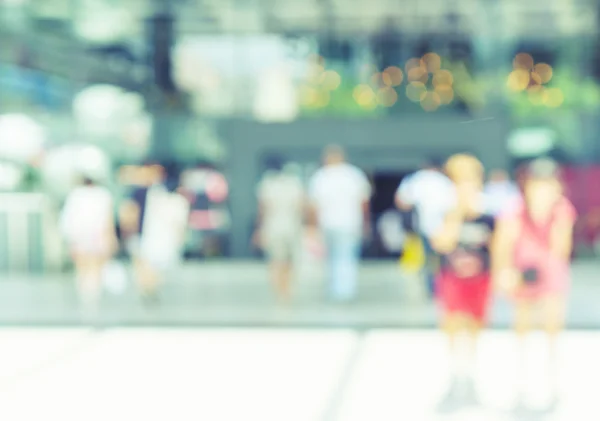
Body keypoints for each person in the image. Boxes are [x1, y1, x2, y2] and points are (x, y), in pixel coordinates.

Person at [492, 158, 577, 410]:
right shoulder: (514, 209)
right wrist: (503, 272)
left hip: (551, 275)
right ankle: (522, 376)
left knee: (553, 326)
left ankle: (552, 377)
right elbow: (503, 243)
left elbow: (561, 249)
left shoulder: (562, 209)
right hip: (522, 274)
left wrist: (550, 217)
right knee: (522, 326)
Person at [430, 154, 495, 410]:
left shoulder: (489, 211)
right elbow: (442, 243)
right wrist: (456, 215)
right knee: (453, 324)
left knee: (476, 325)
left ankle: (472, 370)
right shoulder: (445, 210)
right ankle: (455, 372)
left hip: (480, 279)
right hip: (452, 278)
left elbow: (499, 245)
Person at [308, 145, 371, 302]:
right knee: (347, 257)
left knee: (333, 258)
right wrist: (365, 222)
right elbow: (364, 203)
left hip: (328, 223)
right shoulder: (354, 175)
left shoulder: (321, 176)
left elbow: (314, 205)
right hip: (350, 223)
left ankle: (336, 290)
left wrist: (313, 226)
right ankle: (345, 291)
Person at [120, 164, 190, 304]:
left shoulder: (158, 193)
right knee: (144, 264)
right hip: (141, 235)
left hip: (151, 236)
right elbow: (130, 212)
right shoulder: (141, 192)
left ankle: (149, 289)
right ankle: (148, 289)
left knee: (149, 264)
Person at [395, 157, 456, 298]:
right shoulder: (445, 182)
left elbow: (402, 201)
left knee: (428, 258)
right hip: (443, 226)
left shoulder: (415, 180)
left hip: (423, 225)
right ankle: (443, 287)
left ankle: (431, 288)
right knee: (442, 259)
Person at [60, 176, 117, 320]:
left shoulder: (76, 195)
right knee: (95, 270)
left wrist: (70, 240)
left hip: (80, 238)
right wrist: (110, 238)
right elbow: (108, 219)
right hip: (98, 237)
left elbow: (68, 219)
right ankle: (92, 298)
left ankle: (86, 298)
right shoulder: (103, 195)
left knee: (83, 270)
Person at [253, 155, 305, 304]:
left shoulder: (267, 183)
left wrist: (258, 229)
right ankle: (287, 289)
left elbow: (263, 209)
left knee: (276, 260)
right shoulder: (294, 183)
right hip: (292, 226)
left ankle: (279, 291)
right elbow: (301, 206)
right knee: (290, 260)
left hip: (273, 226)